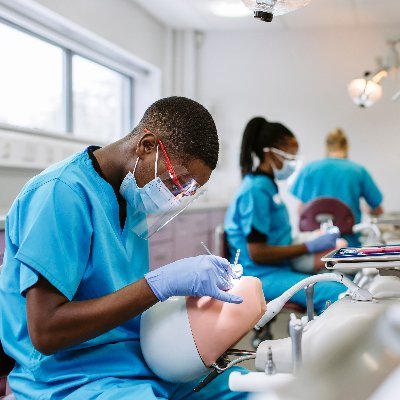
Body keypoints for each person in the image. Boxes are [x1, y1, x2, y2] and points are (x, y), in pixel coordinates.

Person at [0, 97, 247, 400]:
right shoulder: (60, 194)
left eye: (188, 191)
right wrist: (160, 285)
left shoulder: (131, 199)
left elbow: (122, 297)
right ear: (146, 146)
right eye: (178, 182)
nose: (177, 197)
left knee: (242, 385)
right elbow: (46, 332)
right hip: (68, 376)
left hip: (135, 359)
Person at [224, 117, 345, 315]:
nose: (293, 161)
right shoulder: (256, 191)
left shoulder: (266, 187)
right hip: (258, 274)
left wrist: (313, 239)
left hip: (275, 268)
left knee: (338, 279)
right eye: (290, 154)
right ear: (270, 153)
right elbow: (257, 253)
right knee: (340, 293)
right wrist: (309, 246)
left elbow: (276, 237)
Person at [290, 128, 383, 246]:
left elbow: (302, 211)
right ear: (346, 146)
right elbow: (377, 209)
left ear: (327, 147)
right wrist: (367, 210)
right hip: (350, 245)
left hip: (317, 243)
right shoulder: (358, 171)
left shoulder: (310, 169)